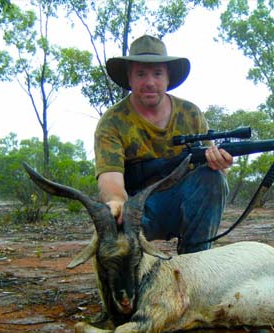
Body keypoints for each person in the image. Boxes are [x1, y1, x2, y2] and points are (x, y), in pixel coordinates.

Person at [94, 35, 233, 254]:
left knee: (213, 179)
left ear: (168, 77)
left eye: (157, 73)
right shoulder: (112, 122)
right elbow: (110, 181)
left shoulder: (191, 113)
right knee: (111, 217)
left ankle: (195, 263)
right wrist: (117, 204)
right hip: (139, 210)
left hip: (182, 204)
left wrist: (219, 164)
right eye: (141, 74)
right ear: (130, 77)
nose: (149, 82)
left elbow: (211, 166)